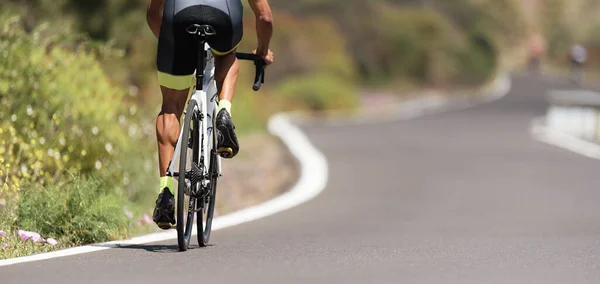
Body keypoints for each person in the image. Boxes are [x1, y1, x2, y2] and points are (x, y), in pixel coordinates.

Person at [146, 0, 274, 229]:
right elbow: (264, 16)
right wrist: (262, 51)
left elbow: (154, 13)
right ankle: (224, 111)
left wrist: (172, 44)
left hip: (178, 18)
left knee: (171, 107)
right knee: (227, 55)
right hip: (223, 18)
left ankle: (166, 191)